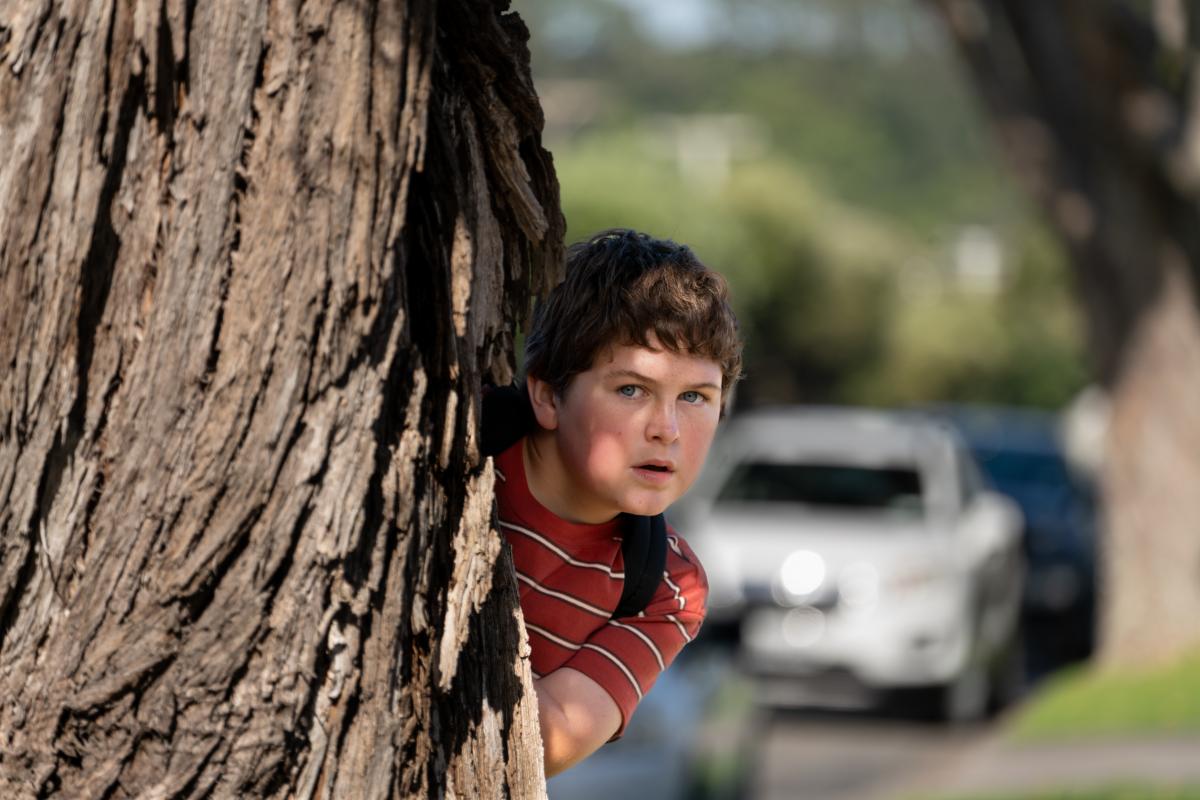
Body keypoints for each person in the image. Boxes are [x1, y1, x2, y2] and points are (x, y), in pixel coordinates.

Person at [492, 228, 742, 776]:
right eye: (632, 389)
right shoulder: (460, 459)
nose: (666, 429)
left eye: (695, 396)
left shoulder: (668, 586)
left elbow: (548, 740)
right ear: (547, 394)